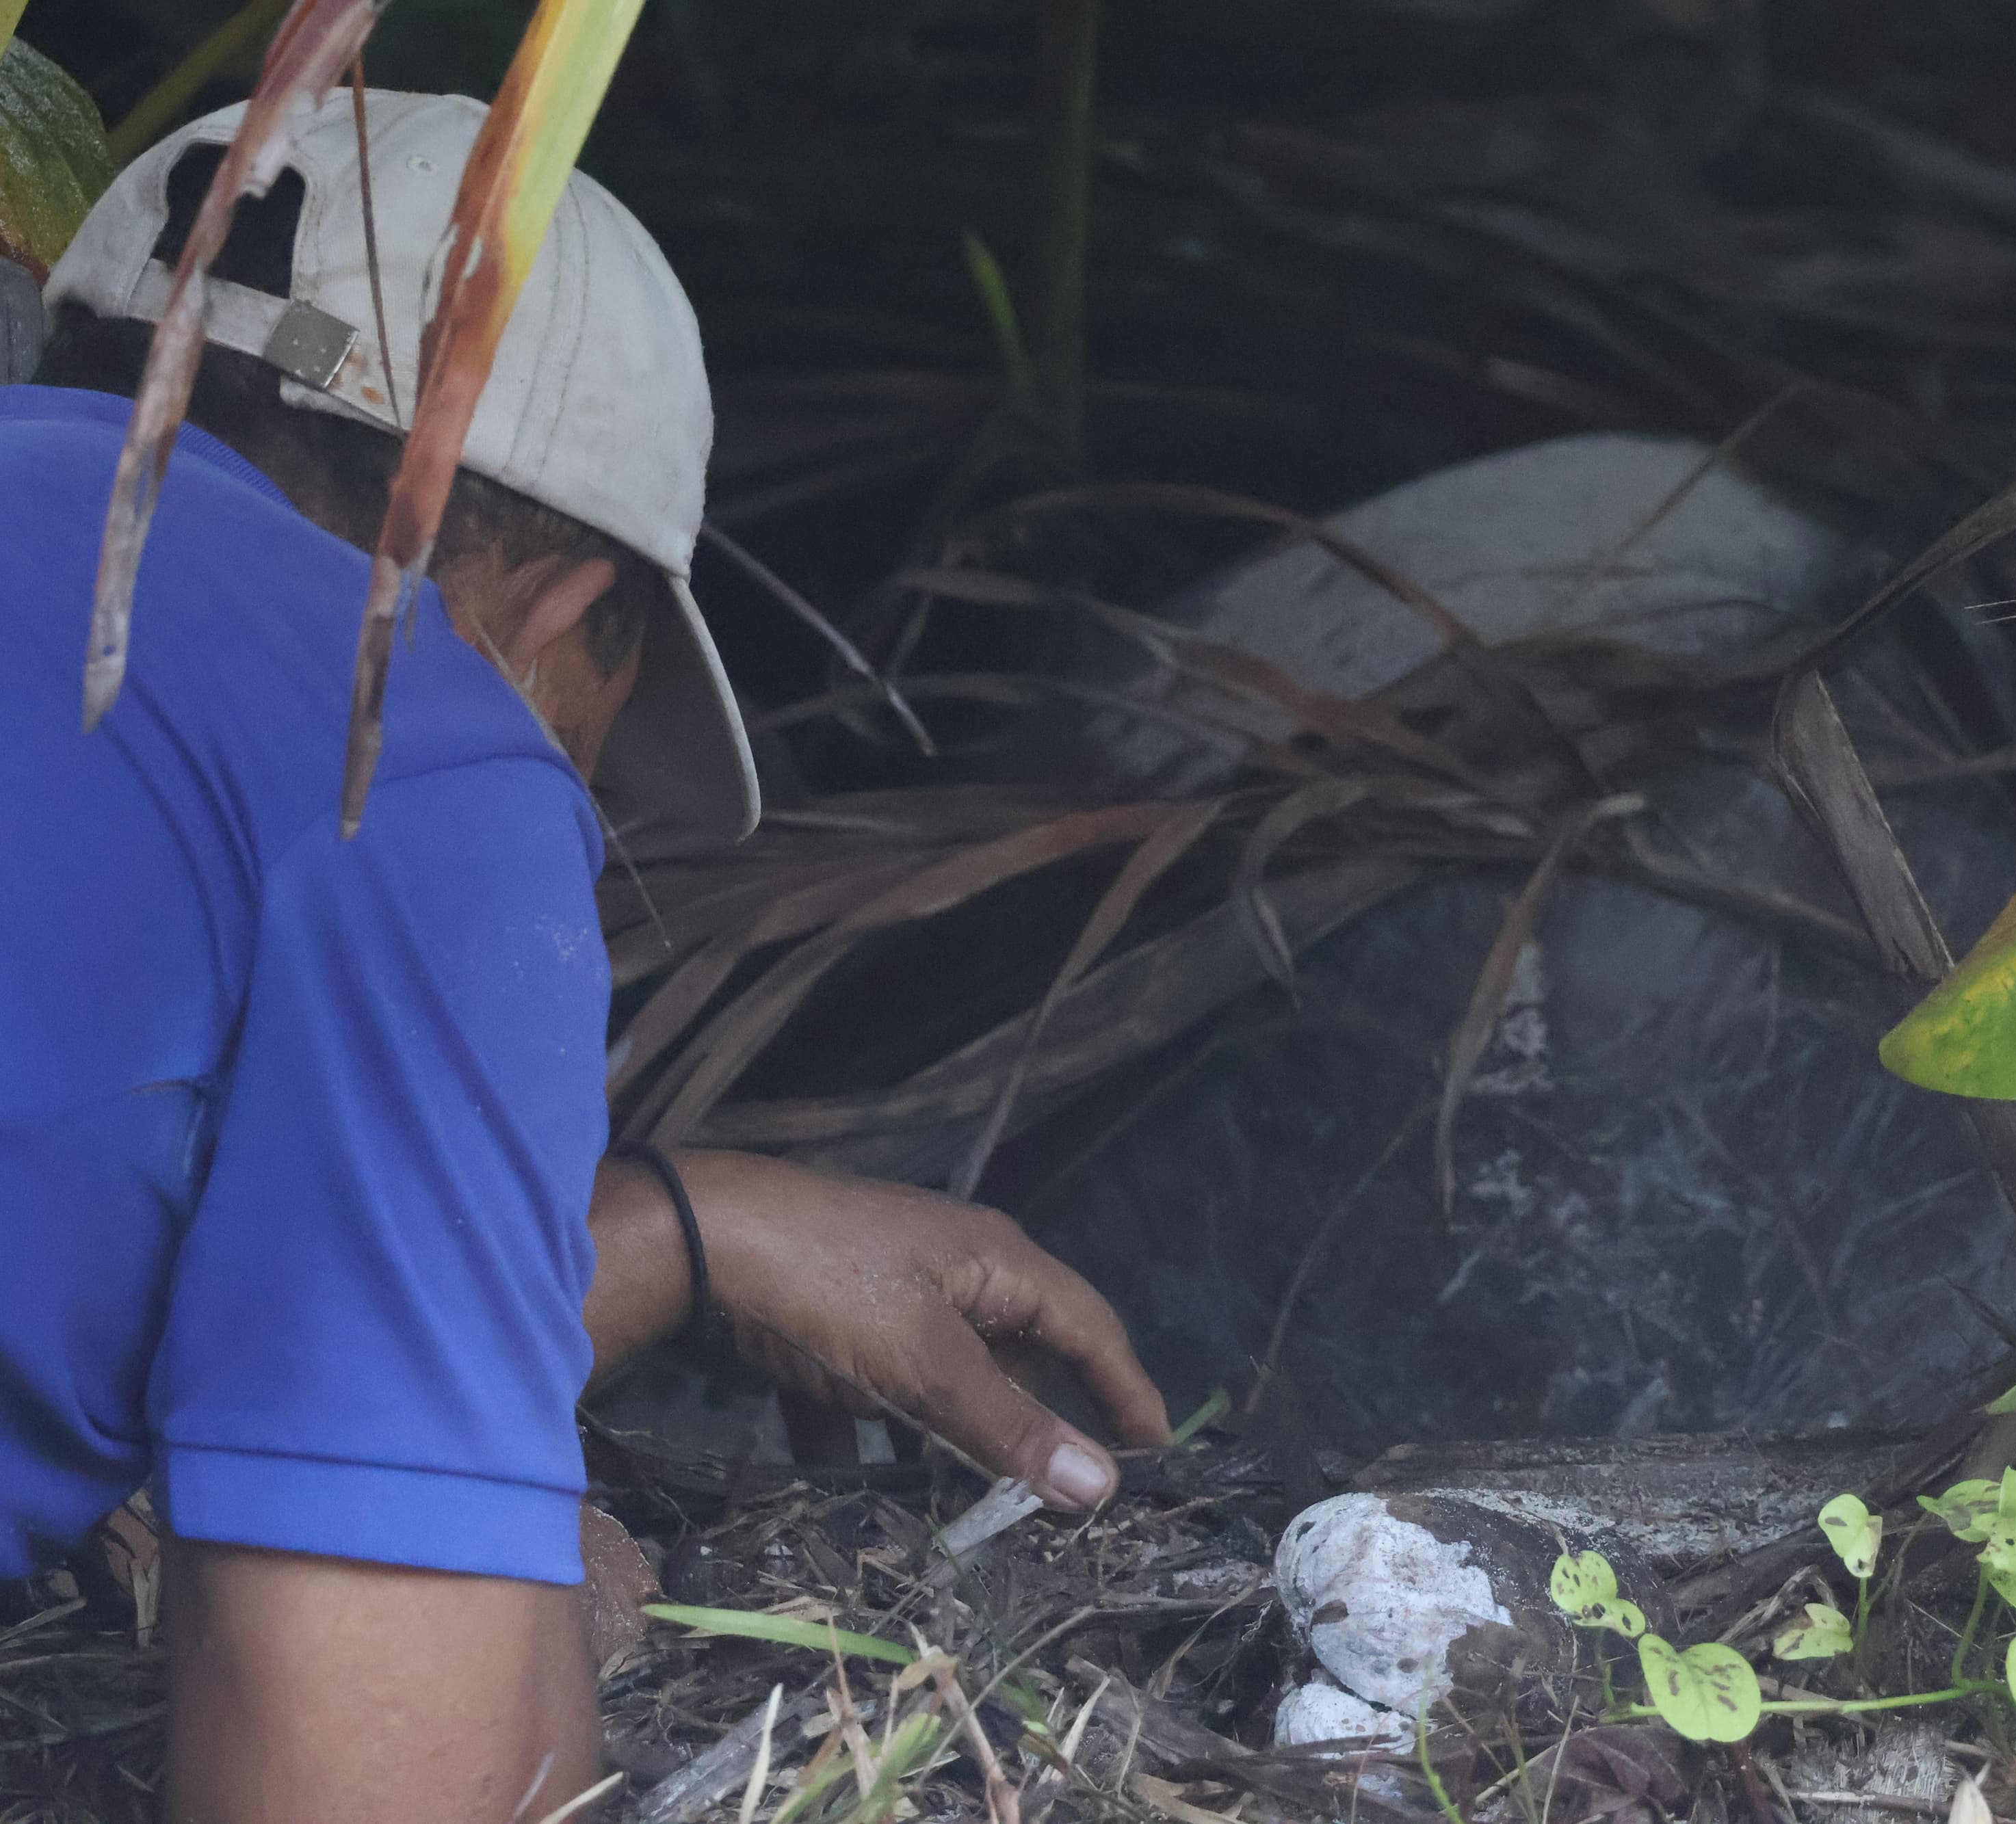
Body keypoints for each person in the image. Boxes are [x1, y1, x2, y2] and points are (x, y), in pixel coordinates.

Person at [1, 90, 1170, 1821]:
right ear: (561, 612)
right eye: (595, 743)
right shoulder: (412, 732)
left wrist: (674, 1228)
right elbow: (389, 1787)